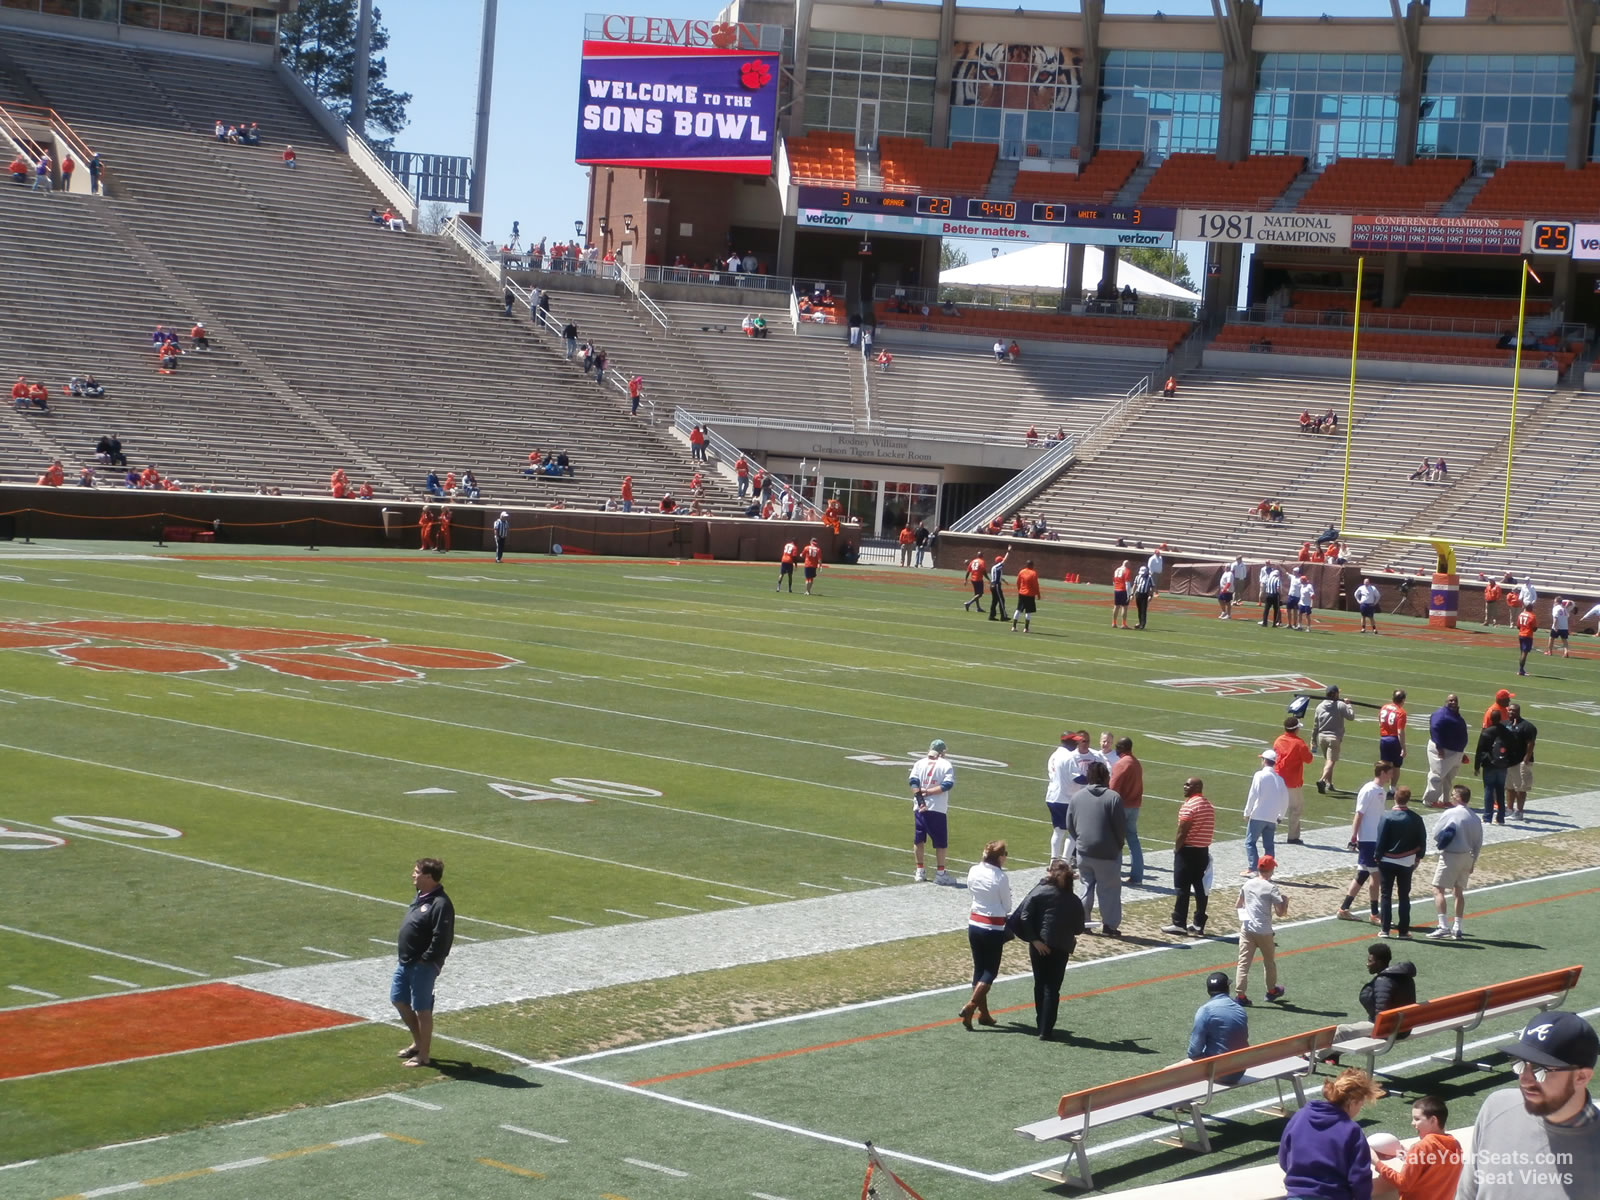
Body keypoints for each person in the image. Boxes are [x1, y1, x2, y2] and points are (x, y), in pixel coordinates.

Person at [1458, 1010, 1600, 1200]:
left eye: (1540, 1069)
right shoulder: (1496, 1107)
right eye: (1519, 1063)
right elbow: (1466, 1195)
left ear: (1581, 1077)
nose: (1525, 1079)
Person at [1279, 1068, 1384, 1200]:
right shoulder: (1351, 1130)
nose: (1358, 1111)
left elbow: (1283, 1158)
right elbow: (1359, 1177)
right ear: (1352, 1103)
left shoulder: (1300, 1116)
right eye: (1360, 1106)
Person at [1011, 859, 1084, 1040]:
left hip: (1039, 946)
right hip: (1061, 948)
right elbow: (1078, 929)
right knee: (1052, 988)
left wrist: (1035, 940)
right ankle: (1046, 1029)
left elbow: (1024, 916)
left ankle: (1040, 1024)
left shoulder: (1039, 892)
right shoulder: (1073, 900)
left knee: (1040, 984)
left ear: (1050, 873)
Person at [391, 857, 454, 1069]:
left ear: (428, 876)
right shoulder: (420, 896)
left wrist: (427, 959)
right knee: (398, 999)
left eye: (416, 872)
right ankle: (418, 1043)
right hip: (406, 961)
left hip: (423, 965)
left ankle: (424, 1055)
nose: (413, 874)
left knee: (422, 1009)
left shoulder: (440, 903)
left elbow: (442, 937)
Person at [957, 840, 1011, 1030]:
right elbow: (1008, 906)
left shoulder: (973, 870)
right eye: (1006, 854)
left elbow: (972, 892)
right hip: (993, 927)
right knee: (990, 972)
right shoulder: (1000, 877)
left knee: (978, 970)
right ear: (1000, 857)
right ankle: (971, 1006)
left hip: (974, 923)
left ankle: (984, 1015)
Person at [1067, 761, 1126, 937]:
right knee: (1109, 890)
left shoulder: (1077, 797)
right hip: (1107, 853)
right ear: (1106, 777)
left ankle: (1084, 922)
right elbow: (1120, 827)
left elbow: (1070, 824)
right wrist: (1117, 845)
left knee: (1086, 887)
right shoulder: (1113, 797)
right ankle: (1109, 925)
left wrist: (1081, 841)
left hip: (1084, 851)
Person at [1371, 1095, 1463, 1200]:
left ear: (1433, 1120)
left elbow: (1403, 1183)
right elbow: (1436, 1168)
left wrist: (1376, 1162)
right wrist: (1410, 1156)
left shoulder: (1421, 1148)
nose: (1412, 1123)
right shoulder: (1455, 1145)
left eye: (1417, 1119)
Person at [1338, 761, 1394, 924]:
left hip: (1375, 838)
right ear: (1383, 772)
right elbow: (1359, 813)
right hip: (1368, 840)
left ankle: (1344, 908)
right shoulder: (1369, 790)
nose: (1392, 775)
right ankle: (1375, 914)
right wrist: (1354, 837)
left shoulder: (1381, 791)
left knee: (1362, 874)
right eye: (1390, 772)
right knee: (1376, 876)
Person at [1427, 783, 1482, 941]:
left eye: (1452, 795)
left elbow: (1436, 833)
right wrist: (1473, 862)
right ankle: (1457, 926)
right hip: (1467, 856)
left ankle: (1443, 925)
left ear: (1458, 797)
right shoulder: (1474, 817)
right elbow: (1478, 843)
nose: (1451, 797)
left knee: (1438, 889)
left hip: (1451, 855)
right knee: (1458, 892)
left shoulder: (1451, 813)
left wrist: (1444, 839)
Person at [1162, 777, 1214, 936]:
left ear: (1197, 787)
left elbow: (1182, 831)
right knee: (1201, 888)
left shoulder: (1189, 806)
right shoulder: (1208, 805)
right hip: (1203, 851)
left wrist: (1177, 849)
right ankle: (1198, 923)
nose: (1185, 787)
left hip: (1188, 851)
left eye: (1188, 785)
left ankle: (1179, 922)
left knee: (1182, 888)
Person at [1236, 855, 1289, 1005]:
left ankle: (1240, 995)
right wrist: (1285, 902)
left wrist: (1247, 920)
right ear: (1271, 870)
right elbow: (1280, 913)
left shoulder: (1247, 884)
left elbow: (1238, 905)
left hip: (1247, 929)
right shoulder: (1272, 888)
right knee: (1269, 962)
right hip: (1264, 931)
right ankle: (1271, 990)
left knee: (1243, 963)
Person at [1375, 786, 1427, 938]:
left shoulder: (1387, 816)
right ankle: (1403, 931)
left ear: (1395, 798)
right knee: (1404, 896)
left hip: (1386, 861)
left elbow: (1380, 840)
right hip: (1407, 862)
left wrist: (1377, 856)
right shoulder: (1416, 818)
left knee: (1386, 895)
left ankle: (1385, 929)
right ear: (1408, 799)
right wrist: (1418, 857)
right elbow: (1422, 840)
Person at [1185, 972, 1250, 1079]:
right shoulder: (1239, 1009)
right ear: (1227, 989)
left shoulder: (1205, 1011)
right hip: (1240, 1069)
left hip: (1218, 1072)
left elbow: (1194, 1051)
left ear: (1208, 991)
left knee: (1169, 1071)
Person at [909, 739, 956, 885]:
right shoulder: (945, 764)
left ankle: (919, 871)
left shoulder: (919, 763)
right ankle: (940, 873)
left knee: (919, 839)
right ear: (942, 752)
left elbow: (913, 782)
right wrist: (929, 792)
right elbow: (947, 784)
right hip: (937, 808)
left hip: (919, 808)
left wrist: (921, 799)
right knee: (941, 843)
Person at [1242, 747, 1288, 875]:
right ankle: (1268, 870)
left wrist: (1247, 812)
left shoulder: (1260, 775)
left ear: (1264, 761)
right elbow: (1285, 799)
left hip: (1258, 815)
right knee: (1269, 845)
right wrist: (1281, 816)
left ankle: (1253, 868)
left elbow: (1253, 794)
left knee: (1250, 842)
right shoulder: (1279, 779)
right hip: (1272, 817)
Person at [1271, 716, 1316, 844]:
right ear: (1296, 729)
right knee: (1296, 808)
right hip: (1292, 781)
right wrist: (1311, 749)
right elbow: (1309, 759)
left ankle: (1267, 832)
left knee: (1275, 807)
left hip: (1278, 778)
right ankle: (1293, 836)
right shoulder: (1299, 743)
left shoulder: (1279, 740)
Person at [1420, 694, 1470, 809]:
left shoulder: (1455, 714)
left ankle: (1445, 799)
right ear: (1446, 701)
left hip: (1455, 752)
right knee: (1437, 775)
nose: (1453, 702)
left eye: (1455, 700)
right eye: (1451, 700)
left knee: (1448, 777)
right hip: (1443, 750)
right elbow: (1435, 728)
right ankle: (1429, 800)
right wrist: (1439, 747)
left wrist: (1461, 753)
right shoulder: (1441, 714)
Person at [1475, 710, 1516, 825]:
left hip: (1489, 764)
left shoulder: (1487, 732)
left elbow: (1480, 750)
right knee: (1500, 790)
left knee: (1488, 789)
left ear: (1491, 719)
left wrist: (1477, 766)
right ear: (1501, 719)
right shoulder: (1507, 732)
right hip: (1502, 765)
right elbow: (1512, 749)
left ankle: (1487, 817)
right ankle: (1500, 817)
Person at [1315, 685, 1358, 794]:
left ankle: (1329, 784)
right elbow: (1351, 717)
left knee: (1328, 761)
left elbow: (1316, 725)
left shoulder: (1319, 706)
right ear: (1335, 694)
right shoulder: (1340, 705)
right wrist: (1349, 705)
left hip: (1321, 737)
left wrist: (1313, 740)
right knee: (1331, 761)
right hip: (1333, 738)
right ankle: (1322, 780)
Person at [1504, 702, 1537, 819]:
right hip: (1509, 761)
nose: (1511, 712)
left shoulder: (1527, 726)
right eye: (1510, 710)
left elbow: (1531, 743)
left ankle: (1519, 811)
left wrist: (1526, 758)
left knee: (1521, 787)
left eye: (1513, 711)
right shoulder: (1505, 724)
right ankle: (1509, 809)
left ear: (1518, 712)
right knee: (1509, 786)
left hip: (1521, 761)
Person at [1379, 690, 1408, 777]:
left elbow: (1380, 722)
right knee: (1396, 766)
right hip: (1394, 740)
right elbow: (1400, 732)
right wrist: (1403, 748)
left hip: (1384, 739)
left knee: (1384, 765)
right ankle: (1392, 788)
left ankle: (1381, 784)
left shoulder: (1384, 707)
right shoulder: (1401, 712)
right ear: (1403, 700)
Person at [1011, 558, 1040, 634]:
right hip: (1030, 594)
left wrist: (1019, 590)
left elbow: (1018, 582)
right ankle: (1026, 628)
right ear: (1031, 565)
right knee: (1028, 611)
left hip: (1022, 593)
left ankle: (1014, 626)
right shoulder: (1033, 573)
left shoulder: (1021, 571)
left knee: (1018, 609)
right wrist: (1038, 593)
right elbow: (1036, 585)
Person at [1515, 602, 1538, 676]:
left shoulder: (1521, 614)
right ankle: (1521, 670)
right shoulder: (1532, 616)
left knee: (1522, 652)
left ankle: (1521, 669)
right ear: (1531, 608)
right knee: (1524, 653)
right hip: (1527, 635)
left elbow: (1518, 626)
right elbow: (1534, 628)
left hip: (1521, 634)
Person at [1259, 561, 1284, 627]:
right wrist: (1280, 595)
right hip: (1275, 595)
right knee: (1275, 610)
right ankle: (1274, 623)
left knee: (1266, 609)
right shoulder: (1277, 579)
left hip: (1268, 595)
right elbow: (1278, 588)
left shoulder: (1269, 579)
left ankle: (1264, 622)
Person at [987, 549, 1009, 622]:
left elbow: (996, 576)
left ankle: (991, 615)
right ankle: (1003, 616)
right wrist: (1008, 551)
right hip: (996, 585)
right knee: (1001, 600)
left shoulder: (994, 567)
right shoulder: (998, 566)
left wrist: (1003, 580)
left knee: (995, 600)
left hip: (993, 584)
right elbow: (1005, 561)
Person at [1131, 563, 1156, 629]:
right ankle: (1140, 622)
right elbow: (1135, 585)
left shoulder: (1149, 577)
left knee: (1143, 610)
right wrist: (1132, 594)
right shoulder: (1137, 577)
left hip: (1145, 595)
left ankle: (1143, 624)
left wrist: (1151, 595)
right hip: (1138, 594)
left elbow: (1152, 587)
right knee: (1139, 609)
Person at [1111, 559, 1132, 629]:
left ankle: (1114, 623)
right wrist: (1129, 594)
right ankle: (1124, 624)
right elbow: (1127, 583)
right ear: (1127, 564)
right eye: (1129, 564)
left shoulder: (1117, 569)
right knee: (1124, 607)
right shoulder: (1127, 570)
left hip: (1116, 589)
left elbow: (1113, 582)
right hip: (1123, 590)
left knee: (1116, 606)